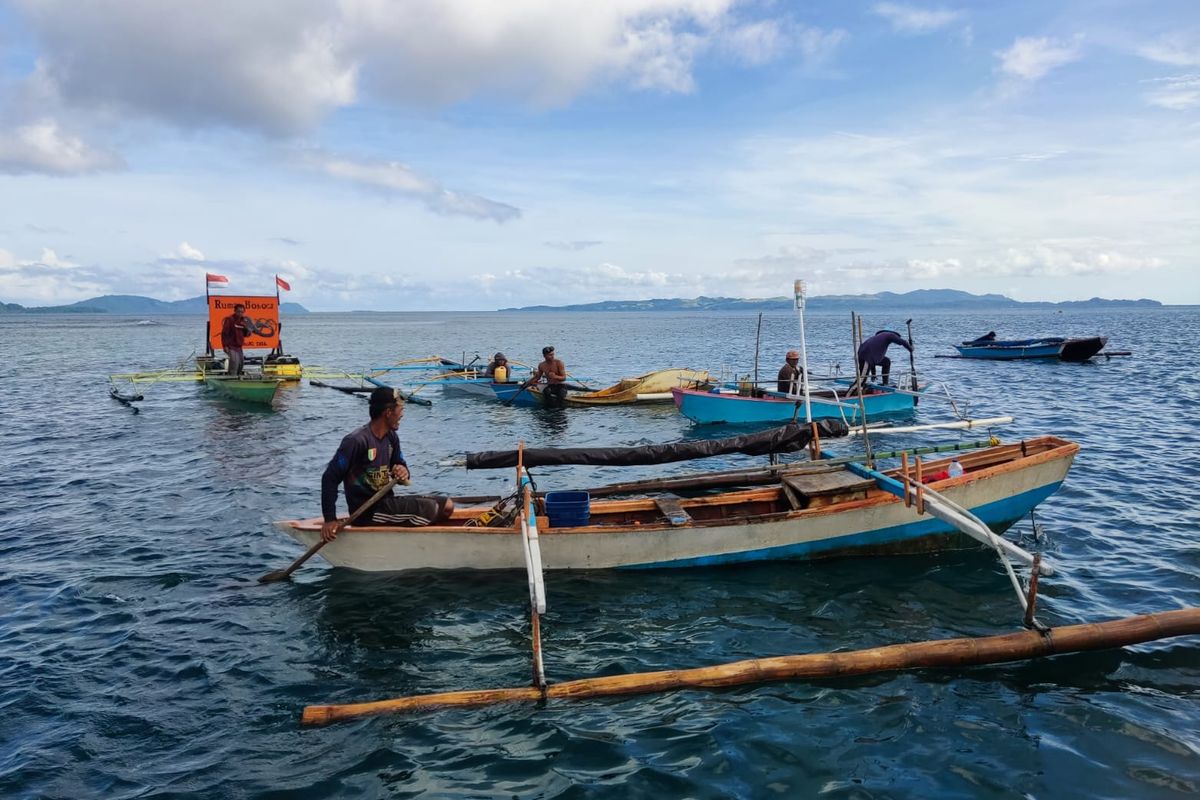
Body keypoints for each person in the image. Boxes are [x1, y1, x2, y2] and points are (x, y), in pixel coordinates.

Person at [320, 387, 453, 541]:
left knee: (447, 506)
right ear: (388, 412)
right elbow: (330, 478)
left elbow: (402, 468)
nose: (402, 414)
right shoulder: (356, 441)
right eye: (400, 410)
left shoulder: (391, 437)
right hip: (367, 512)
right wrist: (329, 519)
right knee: (431, 509)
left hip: (387, 502)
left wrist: (402, 471)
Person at [220, 303, 254, 376]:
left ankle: (238, 378)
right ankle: (231, 377)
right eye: (238, 311)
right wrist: (225, 346)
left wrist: (248, 331)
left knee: (241, 363)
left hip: (239, 347)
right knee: (234, 362)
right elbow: (224, 334)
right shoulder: (229, 319)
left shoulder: (243, 321)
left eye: (242, 312)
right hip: (231, 346)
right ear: (234, 311)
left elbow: (246, 334)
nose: (240, 313)